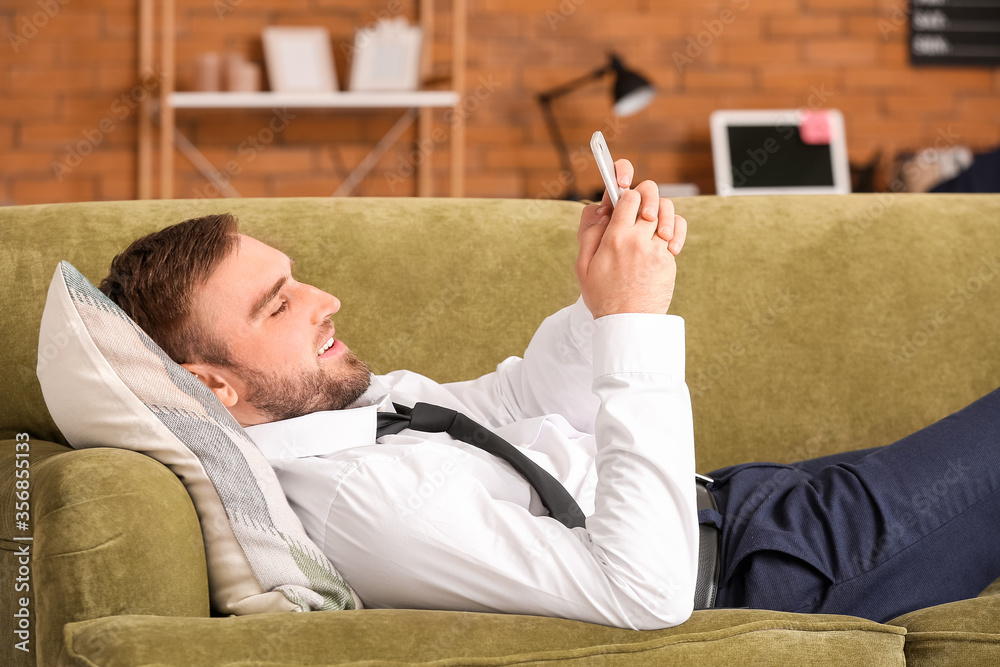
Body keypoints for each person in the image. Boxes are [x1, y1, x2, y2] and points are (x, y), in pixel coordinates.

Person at [100, 160, 1000, 631]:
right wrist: (633, 324)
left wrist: (596, 294)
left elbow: (515, 401)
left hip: (744, 506)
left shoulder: (348, 420)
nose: (326, 300)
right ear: (211, 383)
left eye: (298, 279)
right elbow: (644, 594)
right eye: (279, 303)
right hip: (769, 576)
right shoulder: (365, 508)